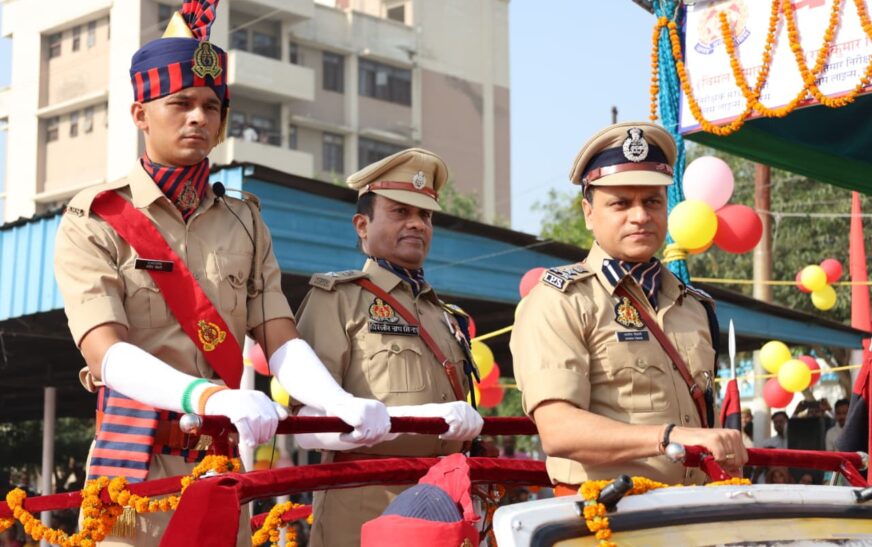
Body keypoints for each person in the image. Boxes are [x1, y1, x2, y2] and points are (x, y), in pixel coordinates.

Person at [53, 2, 389, 544]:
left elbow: (278, 335)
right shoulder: (96, 217)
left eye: (212, 106)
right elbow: (105, 352)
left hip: (220, 462)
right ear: (140, 114)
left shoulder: (246, 219)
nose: (199, 118)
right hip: (133, 468)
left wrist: (338, 400)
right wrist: (209, 398)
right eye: (180, 103)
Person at [511, 121, 748, 491]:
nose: (640, 216)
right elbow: (558, 431)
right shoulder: (560, 301)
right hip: (604, 517)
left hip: (693, 513)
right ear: (588, 213)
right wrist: (669, 436)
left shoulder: (694, 307)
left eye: (652, 201)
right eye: (621, 203)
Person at [293, 148, 484, 546]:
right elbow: (307, 427)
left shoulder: (442, 313)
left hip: (445, 504)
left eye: (425, 215)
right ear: (362, 225)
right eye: (400, 212)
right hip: (368, 506)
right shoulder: (337, 299)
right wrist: (401, 421)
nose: (417, 224)